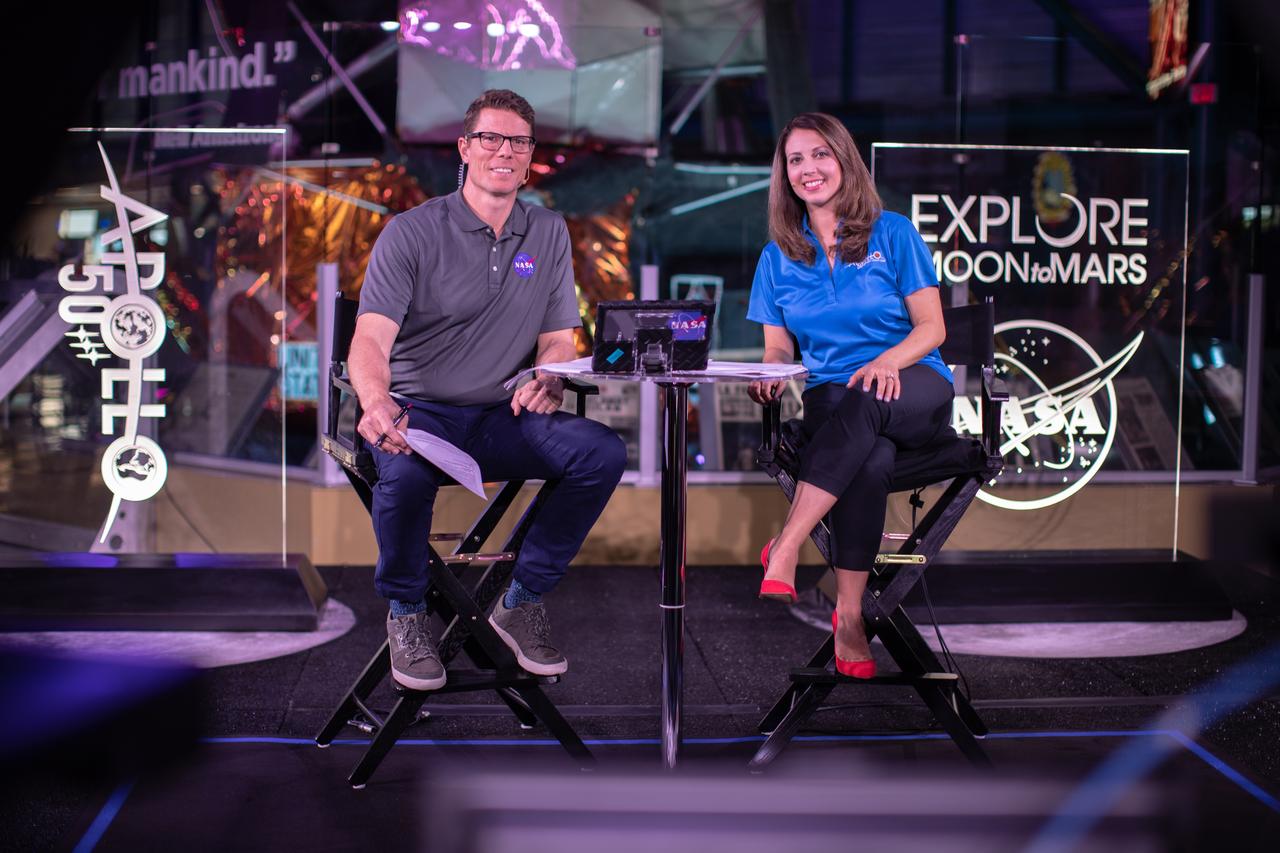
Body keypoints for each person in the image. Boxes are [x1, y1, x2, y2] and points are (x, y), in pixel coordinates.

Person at [350, 89, 626, 691]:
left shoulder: (548, 232)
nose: (505, 151)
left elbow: (558, 336)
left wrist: (548, 374)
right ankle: (406, 613)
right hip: (421, 413)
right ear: (465, 148)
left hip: (504, 414)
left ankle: (520, 599)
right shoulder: (411, 232)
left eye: (519, 142)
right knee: (401, 476)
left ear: (531, 157)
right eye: (491, 139)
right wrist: (376, 403)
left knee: (600, 452)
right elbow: (369, 341)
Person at [746, 113, 954, 679]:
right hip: (835, 400)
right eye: (795, 160)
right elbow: (777, 350)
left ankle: (787, 543)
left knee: (865, 399)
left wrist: (887, 359)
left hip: (914, 384)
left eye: (820, 154)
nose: (808, 169)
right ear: (784, 175)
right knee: (871, 457)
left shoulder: (893, 232)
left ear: (844, 159)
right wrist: (769, 374)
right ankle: (850, 616)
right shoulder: (777, 258)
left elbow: (932, 328)